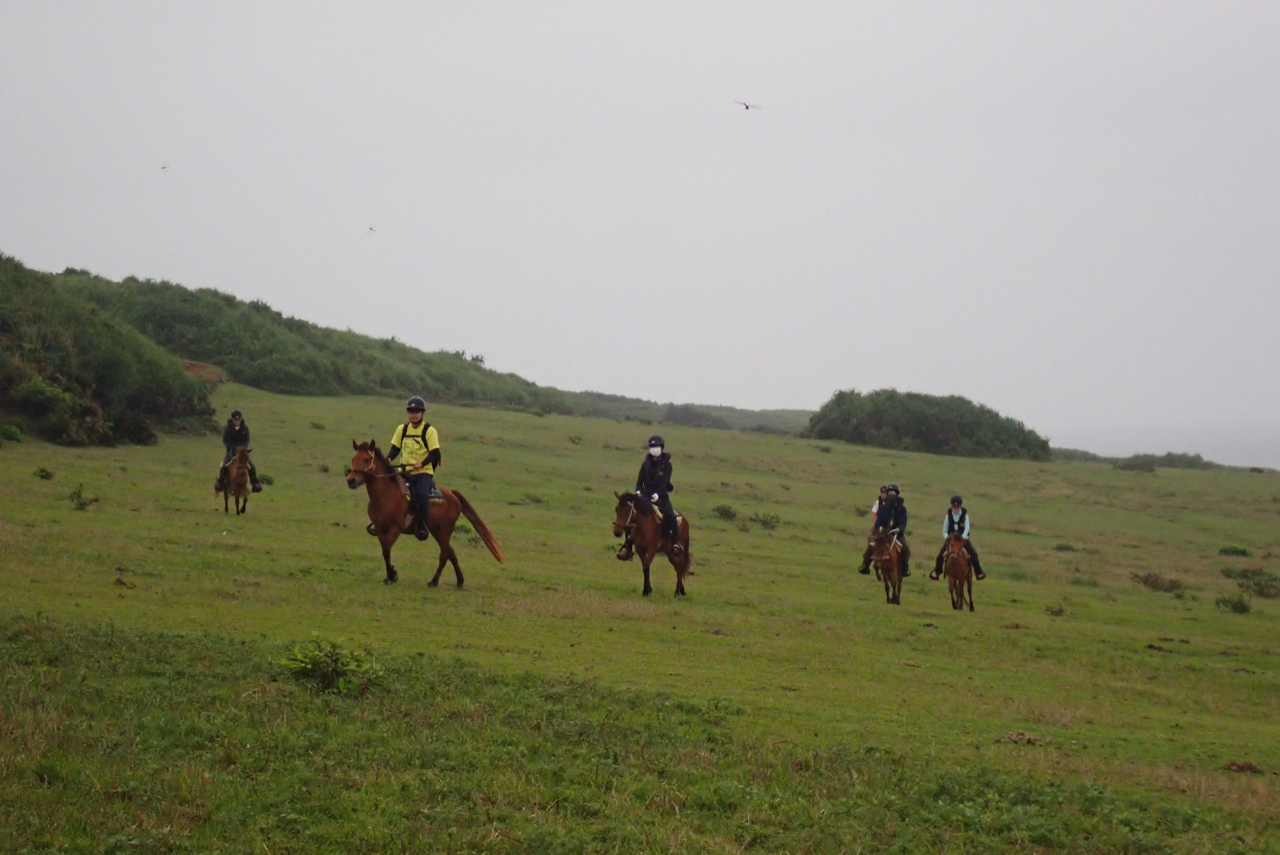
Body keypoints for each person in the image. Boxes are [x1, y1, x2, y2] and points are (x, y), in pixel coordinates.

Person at [619, 434, 681, 559]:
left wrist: (658, 494)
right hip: (645, 496)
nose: (654, 448)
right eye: (652, 446)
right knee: (630, 515)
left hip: (661, 496)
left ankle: (675, 542)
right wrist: (638, 491)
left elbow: (665, 483)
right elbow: (639, 481)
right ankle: (628, 548)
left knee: (670, 515)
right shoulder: (645, 464)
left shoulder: (667, 465)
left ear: (661, 447)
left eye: (656, 446)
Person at [387, 396, 441, 541]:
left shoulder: (429, 431)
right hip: (404, 472)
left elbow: (434, 453)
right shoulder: (402, 429)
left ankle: (422, 525)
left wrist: (421, 464)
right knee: (388, 491)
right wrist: (388, 459)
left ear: (422, 413)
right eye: (411, 411)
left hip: (423, 472)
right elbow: (395, 448)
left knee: (421, 495)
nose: (413, 414)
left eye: (416, 411)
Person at [931, 494, 985, 580]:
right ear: (952, 506)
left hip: (963, 540)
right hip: (951, 540)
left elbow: (967, 528)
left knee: (973, 554)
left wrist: (962, 538)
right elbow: (944, 530)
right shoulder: (948, 517)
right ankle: (937, 572)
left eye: (957, 506)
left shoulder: (965, 516)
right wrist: (947, 538)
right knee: (940, 555)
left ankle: (978, 572)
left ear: (960, 506)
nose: (956, 508)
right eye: (954, 507)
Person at [870, 483, 911, 576]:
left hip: (896, 534)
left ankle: (905, 569)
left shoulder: (902, 508)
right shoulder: (883, 508)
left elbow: (903, 522)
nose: (892, 495)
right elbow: (879, 520)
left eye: (893, 493)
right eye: (890, 492)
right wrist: (879, 527)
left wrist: (899, 529)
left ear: (897, 494)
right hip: (884, 533)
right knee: (872, 545)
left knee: (906, 550)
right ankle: (866, 564)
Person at [218, 408, 261, 492]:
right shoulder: (228, 428)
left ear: (241, 419)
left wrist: (244, 448)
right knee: (224, 465)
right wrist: (231, 448)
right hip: (231, 451)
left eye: (239, 419)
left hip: (242, 452)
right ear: (233, 419)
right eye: (235, 420)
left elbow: (247, 440)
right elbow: (225, 440)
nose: (237, 421)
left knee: (252, 465)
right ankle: (220, 482)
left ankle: (254, 483)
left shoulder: (245, 428)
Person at [857, 485, 889, 574]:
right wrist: (878, 526)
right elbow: (874, 515)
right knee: (872, 543)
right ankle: (865, 565)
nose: (883, 495)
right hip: (878, 528)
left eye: (885, 493)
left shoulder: (891, 504)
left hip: (888, 528)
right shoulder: (877, 503)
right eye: (882, 493)